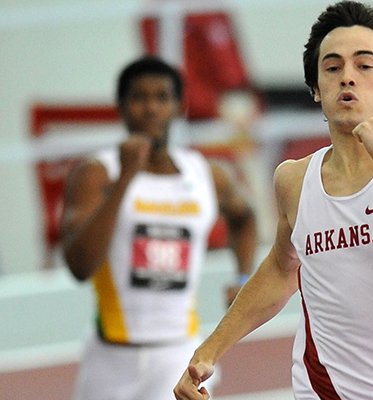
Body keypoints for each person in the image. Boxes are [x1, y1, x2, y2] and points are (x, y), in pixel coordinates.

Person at [174, 1, 373, 399]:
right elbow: (282, 268)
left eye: (364, 65)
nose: (347, 79)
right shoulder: (294, 179)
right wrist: (208, 351)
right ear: (316, 90)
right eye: (333, 68)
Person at [60, 56, 257, 400]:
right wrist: (126, 178)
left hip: (177, 352)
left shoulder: (205, 174)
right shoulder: (98, 174)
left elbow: (245, 217)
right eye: (139, 97)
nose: (150, 108)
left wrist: (242, 278)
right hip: (110, 358)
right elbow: (79, 265)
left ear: (179, 107)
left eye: (161, 97)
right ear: (121, 107)